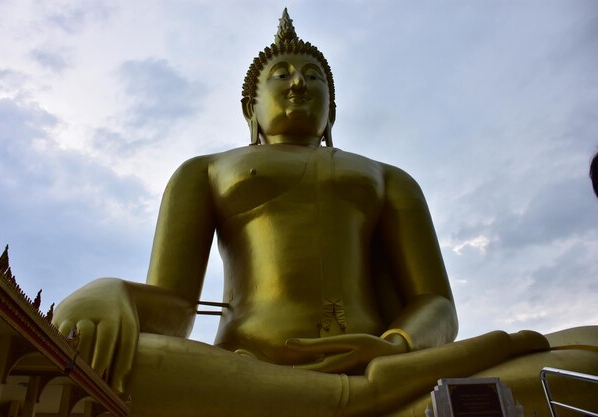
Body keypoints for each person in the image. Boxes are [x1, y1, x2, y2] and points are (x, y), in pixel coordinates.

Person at [53, 10, 597, 417]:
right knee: (137, 362)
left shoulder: (386, 177)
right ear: (251, 107)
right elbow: (175, 308)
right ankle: (359, 402)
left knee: (587, 356)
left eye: (314, 77)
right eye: (282, 75)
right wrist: (110, 290)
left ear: (332, 107)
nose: (298, 83)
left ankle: (363, 394)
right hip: (246, 375)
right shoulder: (206, 170)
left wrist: (394, 346)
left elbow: (434, 303)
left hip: (386, 371)